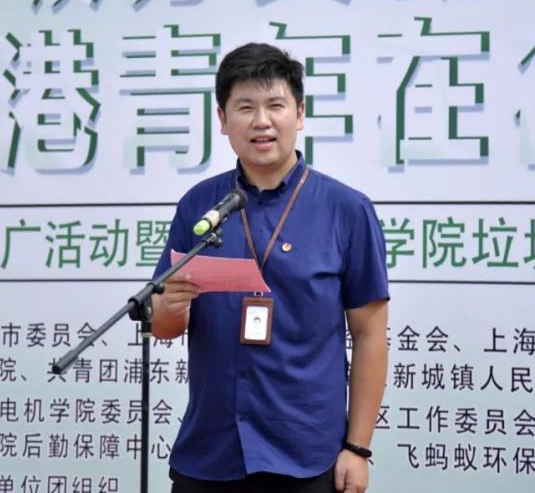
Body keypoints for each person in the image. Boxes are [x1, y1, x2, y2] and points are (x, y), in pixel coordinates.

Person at [152, 42, 389, 493]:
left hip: (306, 455)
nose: (261, 121)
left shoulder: (346, 210)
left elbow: (370, 335)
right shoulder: (199, 206)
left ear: (299, 114)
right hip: (210, 452)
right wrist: (172, 305)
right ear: (223, 120)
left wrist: (357, 449)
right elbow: (165, 327)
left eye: (275, 105)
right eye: (245, 107)